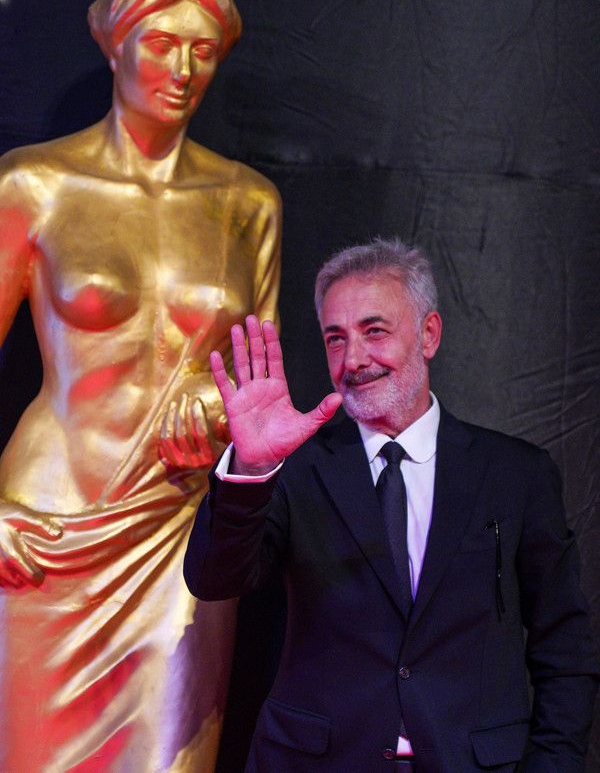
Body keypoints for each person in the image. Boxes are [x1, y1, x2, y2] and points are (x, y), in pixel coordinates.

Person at [0, 0, 280, 773]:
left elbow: (264, 387)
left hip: (181, 538)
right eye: (160, 43)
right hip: (45, 530)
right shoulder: (34, 186)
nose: (182, 70)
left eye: (204, 50)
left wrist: (221, 408)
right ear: (112, 39)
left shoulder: (248, 204)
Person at [184, 238, 598, 773]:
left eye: (374, 331)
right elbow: (215, 579)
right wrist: (251, 467)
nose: (354, 359)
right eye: (336, 339)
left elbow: (565, 648)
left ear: (429, 334)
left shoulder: (516, 474)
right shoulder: (294, 469)